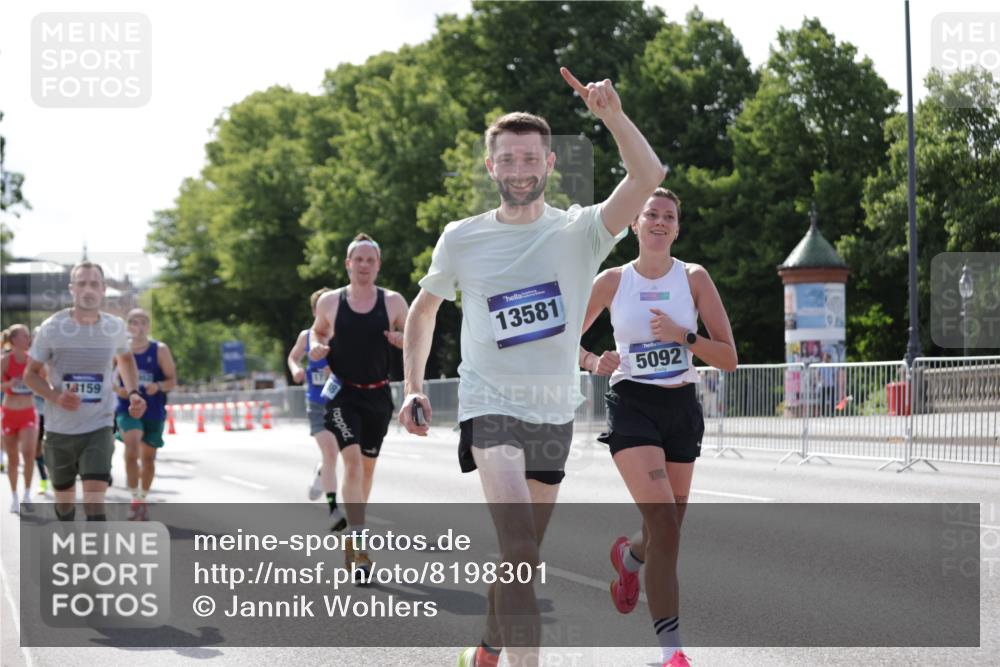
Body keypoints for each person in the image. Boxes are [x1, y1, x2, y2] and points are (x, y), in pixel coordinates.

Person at [399, 68, 666, 667]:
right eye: (506, 159)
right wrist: (413, 388)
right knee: (520, 548)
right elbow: (423, 310)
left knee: (520, 557)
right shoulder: (461, 238)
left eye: (529, 158)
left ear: (548, 164)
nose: (518, 169)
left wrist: (613, 116)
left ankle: (487, 649)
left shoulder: (581, 232)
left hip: (553, 412)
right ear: (490, 167)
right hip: (489, 406)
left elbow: (649, 177)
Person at [578, 188, 737, 667]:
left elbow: (728, 358)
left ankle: (629, 559)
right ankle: (673, 653)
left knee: (666, 531)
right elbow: (560, 337)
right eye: (652, 214)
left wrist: (683, 336)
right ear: (635, 223)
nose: (660, 222)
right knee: (665, 524)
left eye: (669, 216)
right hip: (632, 406)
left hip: (680, 408)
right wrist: (591, 360)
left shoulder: (693, 278)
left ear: (677, 228)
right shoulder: (612, 281)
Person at [308, 233, 408, 577]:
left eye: (370, 260)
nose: (364, 265)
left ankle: (353, 533)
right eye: (358, 260)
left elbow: (415, 336)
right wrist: (317, 345)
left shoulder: (393, 301)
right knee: (351, 464)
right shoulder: (330, 302)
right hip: (342, 395)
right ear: (348, 264)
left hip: (378, 396)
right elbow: (318, 332)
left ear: (378, 265)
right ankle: (361, 545)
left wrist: (402, 339)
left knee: (366, 470)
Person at [23, 261, 146, 522]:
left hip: (99, 426)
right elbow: (30, 374)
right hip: (60, 430)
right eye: (81, 284)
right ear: (72, 289)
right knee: (65, 506)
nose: (87, 289)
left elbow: (125, 359)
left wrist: (134, 392)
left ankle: (94, 550)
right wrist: (55, 396)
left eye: (93, 284)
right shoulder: (51, 328)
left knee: (94, 503)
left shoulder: (114, 327)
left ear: (103, 289)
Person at [287, 287, 346, 531]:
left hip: (342, 403)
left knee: (336, 455)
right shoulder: (307, 336)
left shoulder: (343, 333)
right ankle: (333, 510)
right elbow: (292, 357)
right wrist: (296, 370)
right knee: (331, 453)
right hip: (317, 404)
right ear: (315, 311)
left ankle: (322, 472)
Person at [113, 308, 176, 521]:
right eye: (133, 322)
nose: (138, 327)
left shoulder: (160, 350)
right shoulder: (120, 349)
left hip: (153, 410)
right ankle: (134, 498)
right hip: (127, 408)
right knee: (132, 450)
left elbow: (172, 380)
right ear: (127, 326)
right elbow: (108, 378)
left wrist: (158, 386)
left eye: (142, 322)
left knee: (148, 459)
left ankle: (142, 498)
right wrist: (119, 390)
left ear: (148, 326)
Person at [2, 324, 39, 513]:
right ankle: (14, 496)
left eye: (28, 335)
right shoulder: (5, 361)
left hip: (28, 412)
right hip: (9, 413)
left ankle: (27, 494)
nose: (28, 339)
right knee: (13, 458)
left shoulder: (33, 360)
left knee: (28, 452)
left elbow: (44, 381)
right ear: (14, 339)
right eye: (24, 336)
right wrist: (9, 384)